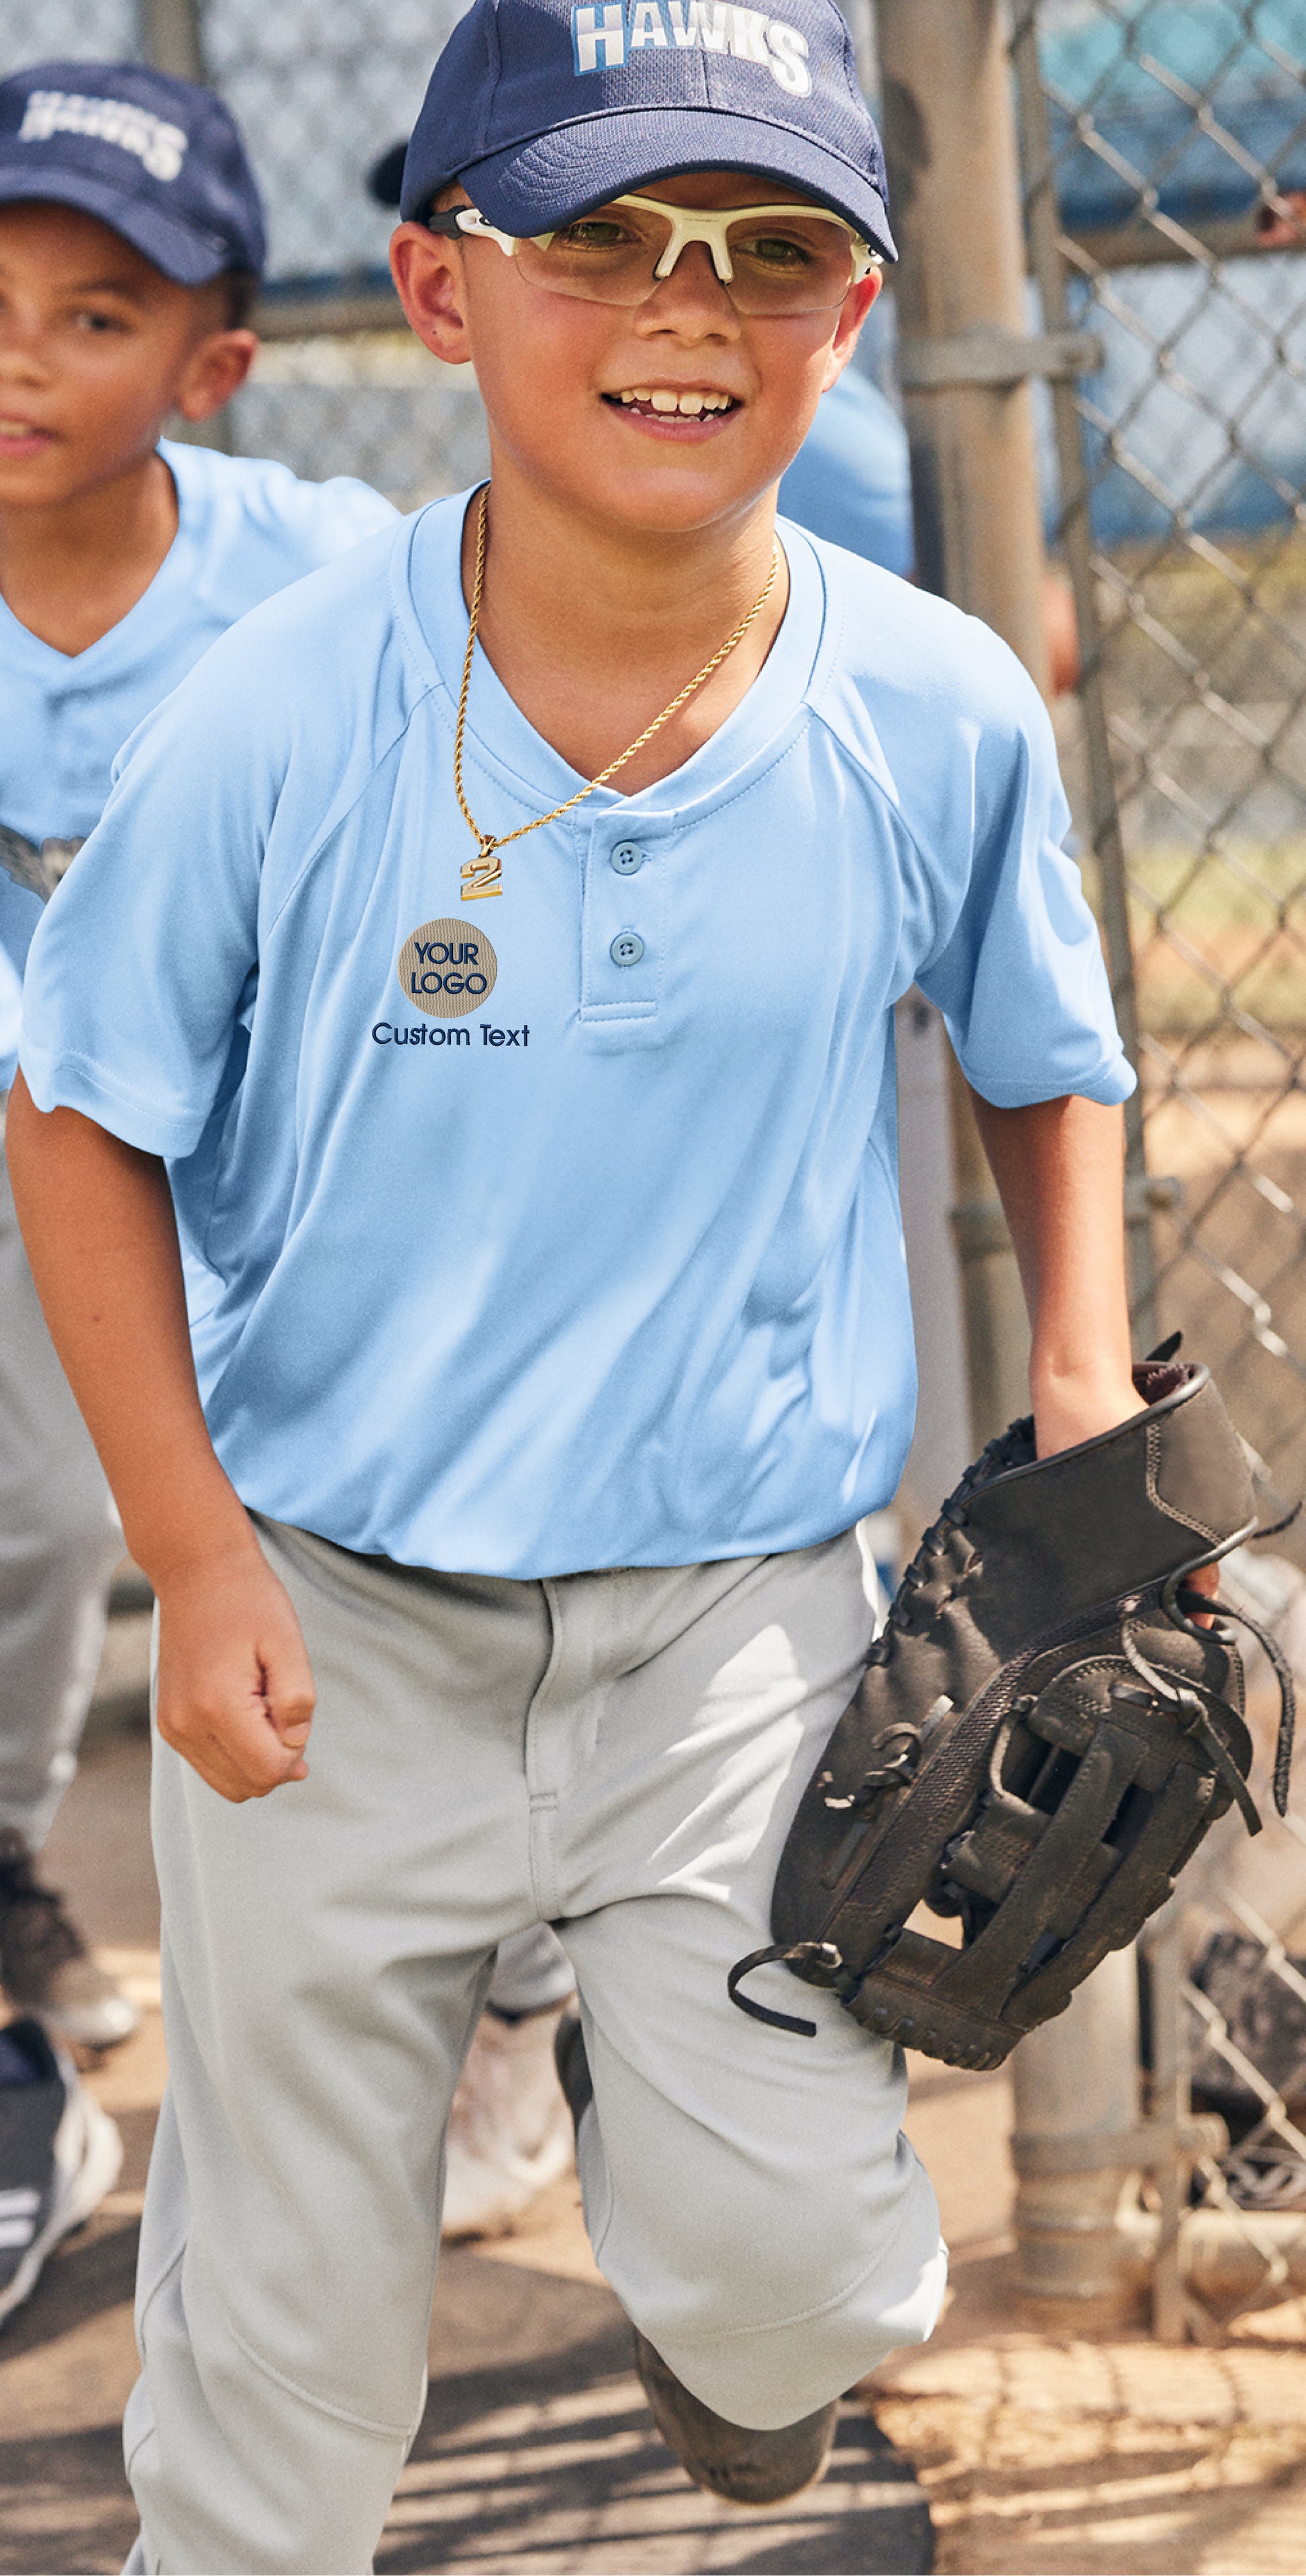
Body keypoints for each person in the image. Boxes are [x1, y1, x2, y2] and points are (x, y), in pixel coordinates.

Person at [11, 1, 1142, 2560]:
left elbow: (1045, 1048)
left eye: (767, 251)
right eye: (601, 239)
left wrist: (1072, 1360)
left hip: (730, 1625)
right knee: (281, 2354)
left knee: (806, 2288)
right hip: (331, 1602)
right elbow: (76, 1117)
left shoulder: (929, 703)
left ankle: (716, 2306)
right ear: (436, 291)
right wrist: (190, 1551)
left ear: (853, 315)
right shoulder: (284, 709)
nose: (683, 307)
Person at [0, 60, 399, 2085]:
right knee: (52, 1513)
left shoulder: (323, 572)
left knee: (344, 1523)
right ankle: (8, 1881)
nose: (19, 360)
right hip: (32, 1152)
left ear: (215, 363)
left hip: (280, 1142)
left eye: (93, 316)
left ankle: (488, 1963)